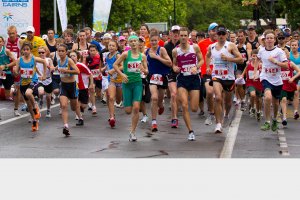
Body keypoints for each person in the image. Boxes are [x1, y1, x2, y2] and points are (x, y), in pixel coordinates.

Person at [206, 25, 243, 133]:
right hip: (217, 76)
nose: (221, 36)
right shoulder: (211, 47)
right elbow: (207, 56)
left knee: (228, 102)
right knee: (217, 98)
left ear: (226, 35)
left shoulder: (230, 46)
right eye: (219, 34)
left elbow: (240, 59)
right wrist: (208, 67)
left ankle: (226, 115)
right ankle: (218, 123)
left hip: (229, 77)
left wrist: (228, 58)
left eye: (223, 34)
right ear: (216, 35)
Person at [113, 35, 148, 142]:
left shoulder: (142, 56)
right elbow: (115, 65)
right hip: (127, 84)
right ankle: (130, 104)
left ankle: (132, 132)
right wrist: (122, 75)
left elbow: (147, 71)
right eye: (131, 41)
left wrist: (144, 70)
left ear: (138, 43)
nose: (133, 43)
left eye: (135, 41)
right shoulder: (125, 54)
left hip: (137, 83)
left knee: (136, 107)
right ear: (129, 43)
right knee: (128, 111)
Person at [172, 27, 204, 141]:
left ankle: (195, 102)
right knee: (184, 105)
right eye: (182, 35)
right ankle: (190, 131)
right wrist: (175, 68)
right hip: (182, 79)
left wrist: (196, 67)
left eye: (185, 35)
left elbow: (202, 60)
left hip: (194, 78)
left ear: (188, 36)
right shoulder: (175, 51)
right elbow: (174, 64)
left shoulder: (194, 47)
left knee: (194, 108)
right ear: (179, 36)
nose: (183, 37)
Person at [254, 30, 289, 132]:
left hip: (277, 80)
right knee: (267, 97)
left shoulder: (279, 51)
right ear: (265, 40)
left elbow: (286, 65)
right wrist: (256, 72)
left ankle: (274, 119)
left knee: (275, 102)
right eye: (267, 38)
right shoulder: (261, 51)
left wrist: (275, 61)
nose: (269, 40)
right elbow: (257, 59)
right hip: (265, 77)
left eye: (271, 38)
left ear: (274, 40)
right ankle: (267, 121)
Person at [14, 42, 47, 132]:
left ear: (30, 50)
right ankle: (34, 121)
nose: (26, 51)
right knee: (29, 106)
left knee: (28, 94)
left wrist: (44, 74)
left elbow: (44, 61)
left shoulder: (34, 59)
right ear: (22, 51)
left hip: (33, 81)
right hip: (23, 83)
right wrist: (15, 71)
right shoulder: (19, 60)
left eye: (27, 49)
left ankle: (36, 107)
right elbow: (16, 72)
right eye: (24, 49)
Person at [146, 28, 172, 132]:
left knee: (160, 100)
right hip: (152, 76)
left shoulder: (162, 50)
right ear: (149, 40)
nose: (153, 42)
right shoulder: (147, 51)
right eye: (152, 40)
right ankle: (154, 122)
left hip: (162, 76)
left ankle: (161, 105)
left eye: (155, 40)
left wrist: (157, 57)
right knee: (154, 98)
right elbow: (144, 64)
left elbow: (169, 63)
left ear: (158, 40)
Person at [57, 44, 80, 136]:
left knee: (73, 107)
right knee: (63, 105)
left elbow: (77, 71)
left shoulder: (69, 60)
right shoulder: (58, 60)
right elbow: (59, 70)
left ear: (66, 52)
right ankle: (66, 126)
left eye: (63, 51)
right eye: (59, 51)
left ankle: (79, 114)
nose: (61, 53)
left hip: (72, 85)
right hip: (63, 85)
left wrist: (67, 71)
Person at [198, 22, 218, 126]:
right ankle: (211, 113)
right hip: (207, 72)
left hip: (220, 73)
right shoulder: (202, 44)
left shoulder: (223, 43)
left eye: (217, 30)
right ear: (209, 32)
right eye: (213, 30)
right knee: (209, 92)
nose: (215, 32)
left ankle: (220, 115)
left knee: (219, 97)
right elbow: (198, 57)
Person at [69, 50, 93, 126]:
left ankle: (82, 108)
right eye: (70, 56)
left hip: (83, 87)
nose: (72, 57)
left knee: (83, 105)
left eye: (74, 56)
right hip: (73, 87)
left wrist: (91, 84)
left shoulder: (80, 65)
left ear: (78, 57)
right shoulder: (67, 65)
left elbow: (90, 74)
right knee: (76, 104)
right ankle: (80, 118)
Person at [5, 25, 24, 116]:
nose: (12, 35)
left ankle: (16, 109)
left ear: (16, 33)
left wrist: (18, 66)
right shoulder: (5, 41)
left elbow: (24, 55)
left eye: (13, 33)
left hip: (17, 67)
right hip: (7, 68)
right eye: (10, 34)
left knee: (17, 90)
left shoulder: (20, 41)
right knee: (7, 94)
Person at [165, 25, 180, 128]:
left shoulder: (184, 45)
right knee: (174, 94)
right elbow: (165, 60)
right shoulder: (166, 46)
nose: (175, 34)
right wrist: (172, 65)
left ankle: (176, 106)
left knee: (179, 96)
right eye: (174, 32)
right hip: (171, 72)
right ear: (170, 33)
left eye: (177, 33)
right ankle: (174, 118)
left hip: (183, 73)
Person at [241, 49, 263, 120]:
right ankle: (253, 108)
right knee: (253, 95)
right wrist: (241, 76)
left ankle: (259, 111)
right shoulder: (248, 64)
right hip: (250, 83)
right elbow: (245, 70)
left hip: (259, 83)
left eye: (256, 56)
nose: (255, 58)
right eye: (253, 56)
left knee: (259, 99)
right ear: (251, 56)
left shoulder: (260, 65)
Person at [106, 40, 122, 127]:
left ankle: (112, 114)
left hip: (119, 80)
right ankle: (112, 117)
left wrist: (114, 69)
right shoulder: (107, 56)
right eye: (110, 45)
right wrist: (104, 68)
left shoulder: (118, 55)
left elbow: (123, 66)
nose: (111, 47)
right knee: (111, 98)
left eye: (113, 46)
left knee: (118, 100)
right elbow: (108, 65)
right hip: (111, 80)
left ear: (116, 47)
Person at [280, 59, 300, 127]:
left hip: (290, 84)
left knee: (294, 96)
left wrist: (293, 78)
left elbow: (299, 71)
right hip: (281, 85)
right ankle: (284, 118)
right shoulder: (278, 64)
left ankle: (295, 111)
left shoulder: (290, 63)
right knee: (284, 99)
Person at [235, 29, 252, 111]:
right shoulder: (235, 46)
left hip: (247, 67)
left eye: (242, 36)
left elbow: (249, 54)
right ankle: (243, 100)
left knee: (249, 86)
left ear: (245, 36)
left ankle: (252, 103)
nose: (240, 38)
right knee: (239, 82)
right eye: (239, 36)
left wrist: (249, 60)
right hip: (239, 68)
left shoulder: (247, 45)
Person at [36, 46, 54, 117]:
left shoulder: (48, 60)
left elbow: (52, 67)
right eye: (39, 52)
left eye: (42, 52)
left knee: (48, 97)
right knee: (41, 92)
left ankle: (48, 110)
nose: (41, 54)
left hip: (48, 80)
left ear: (46, 53)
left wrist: (51, 68)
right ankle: (40, 99)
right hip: (39, 79)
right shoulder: (36, 60)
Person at [0, 36, 17, 102]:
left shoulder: (6, 50)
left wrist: (5, 66)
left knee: (7, 96)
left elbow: (15, 62)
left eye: (0, 41)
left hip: (6, 73)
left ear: (3, 43)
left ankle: (14, 90)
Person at [289, 39, 300, 119]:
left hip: (299, 76)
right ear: (290, 46)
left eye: (295, 45)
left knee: (296, 92)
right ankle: (283, 108)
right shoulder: (288, 55)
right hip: (290, 77)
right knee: (289, 94)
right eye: (292, 45)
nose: (294, 46)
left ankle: (296, 111)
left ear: (298, 46)